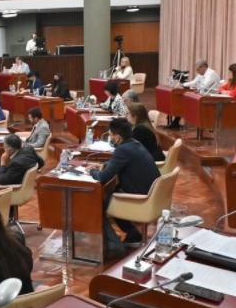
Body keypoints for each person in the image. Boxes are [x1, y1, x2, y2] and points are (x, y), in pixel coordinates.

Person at [90, 118, 161, 254]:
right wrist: (107, 165)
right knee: (112, 192)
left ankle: (113, 245)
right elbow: (119, 163)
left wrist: (92, 171)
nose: (110, 137)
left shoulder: (122, 150)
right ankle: (132, 234)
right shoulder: (135, 144)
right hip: (151, 194)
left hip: (143, 199)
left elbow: (102, 178)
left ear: (117, 137)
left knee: (100, 202)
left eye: (110, 135)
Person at [168, 59, 219, 129]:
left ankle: (188, 123)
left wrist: (195, 87)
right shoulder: (202, 73)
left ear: (203, 67)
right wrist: (183, 85)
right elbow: (194, 82)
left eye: (198, 70)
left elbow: (204, 86)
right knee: (184, 100)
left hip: (210, 97)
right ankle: (177, 122)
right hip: (202, 95)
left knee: (188, 101)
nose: (197, 72)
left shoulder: (211, 74)